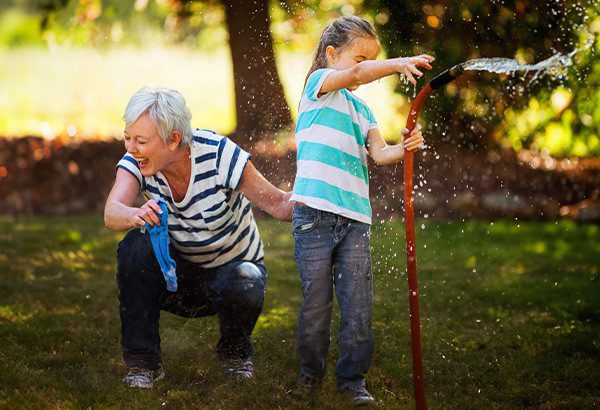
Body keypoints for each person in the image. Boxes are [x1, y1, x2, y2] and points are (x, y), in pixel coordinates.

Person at [104, 85, 293, 388]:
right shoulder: (138, 163)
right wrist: (134, 215)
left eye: (140, 140)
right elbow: (112, 211)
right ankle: (143, 365)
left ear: (173, 139)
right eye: (128, 138)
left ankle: (235, 355)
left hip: (232, 277)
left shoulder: (218, 154)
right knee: (134, 246)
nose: (131, 147)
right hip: (177, 278)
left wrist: (327, 195)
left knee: (247, 278)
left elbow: (279, 204)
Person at [290, 15, 433, 405]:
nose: (364, 68)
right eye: (359, 59)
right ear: (331, 54)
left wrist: (404, 148)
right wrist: (395, 63)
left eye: (371, 60)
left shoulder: (363, 111)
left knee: (358, 305)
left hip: (354, 219)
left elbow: (380, 153)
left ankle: (352, 380)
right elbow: (365, 74)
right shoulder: (317, 86)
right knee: (316, 305)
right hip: (314, 217)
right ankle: (309, 374)